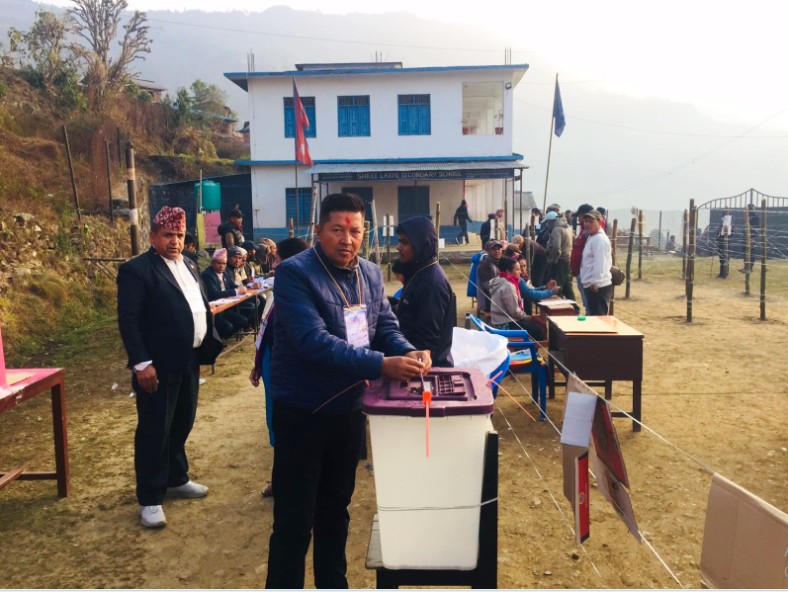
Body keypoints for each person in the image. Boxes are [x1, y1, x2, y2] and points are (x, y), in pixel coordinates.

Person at [265, 192, 432, 589]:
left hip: (349, 410)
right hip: (303, 411)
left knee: (336, 509)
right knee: (294, 519)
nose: (347, 239)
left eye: (355, 231)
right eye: (337, 230)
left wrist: (408, 351)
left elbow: (384, 326)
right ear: (318, 230)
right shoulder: (294, 274)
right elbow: (312, 341)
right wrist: (380, 364)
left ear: (364, 232)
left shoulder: (370, 273)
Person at [117, 205, 223, 529]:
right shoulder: (138, 270)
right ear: (153, 236)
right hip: (157, 365)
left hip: (189, 358)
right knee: (155, 429)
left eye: (179, 234)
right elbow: (129, 320)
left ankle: (176, 478)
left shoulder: (189, 263)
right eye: (167, 235)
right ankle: (150, 497)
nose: (174, 241)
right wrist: (141, 364)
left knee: (182, 421)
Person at [249, 237, 309, 499]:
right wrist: (258, 364)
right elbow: (266, 329)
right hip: (272, 365)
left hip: (288, 373)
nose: (272, 265)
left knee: (289, 427)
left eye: (276, 259)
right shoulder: (281, 289)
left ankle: (290, 481)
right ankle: (281, 477)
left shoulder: (302, 295)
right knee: (276, 424)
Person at [394, 216, 456, 368]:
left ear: (420, 245)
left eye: (404, 242)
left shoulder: (432, 282)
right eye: (399, 241)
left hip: (427, 368)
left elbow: (428, 341)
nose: (398, 247)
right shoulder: (419, 272)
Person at [488, 257, 546, 340]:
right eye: (517, 269)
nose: (520, 272)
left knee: (537, 325)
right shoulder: (508, 285)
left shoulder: (499, 280)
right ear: (508, 271)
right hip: (505, 324)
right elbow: (515, 312)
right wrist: (528, 317)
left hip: (498, 322)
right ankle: (529, 347)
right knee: (540, 330)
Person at [201, 248, 250, 339]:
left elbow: (232, 285)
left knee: (243, 320)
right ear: (212, 263)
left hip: (225, 307)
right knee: (228, 326)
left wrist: (244, 288)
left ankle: (224, 338)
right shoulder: (208, 275)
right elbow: (215, 294)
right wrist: (236, 291)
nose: (222, 266)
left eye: (224, 263)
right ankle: (219, 340)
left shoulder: (225, 273)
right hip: (214, 311)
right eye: (219, 263)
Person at [579, 209, 613, 315]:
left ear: (599, 222)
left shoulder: (599, 240)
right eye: (586, 221)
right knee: (594, 317)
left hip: (597, 287)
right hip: (592, 286)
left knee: (599, 319)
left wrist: (595, 283)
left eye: (591, 221)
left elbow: (600, 263)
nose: (587, 224)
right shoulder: (592, 237)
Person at [569, 204, 595, 314]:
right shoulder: (583, 231)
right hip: (580, 272)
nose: (578, 219)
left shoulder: (589, 234)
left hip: (585, 273)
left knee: (589, 305)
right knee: (587, 304)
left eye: (579, 216)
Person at [544, 210, 575, 301]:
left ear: (551, 221)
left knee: (557, 285)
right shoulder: (568, 228)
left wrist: (552, 260)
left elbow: (556, 247)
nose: (547, 224)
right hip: (567, 259)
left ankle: (558, 304)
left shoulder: (556, 229)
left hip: (559, 261)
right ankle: (573, 306)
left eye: (548, 222)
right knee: (566, 286)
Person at [475, 239, 504, 316]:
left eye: (499, 249)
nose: (497, 251)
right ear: (488, 251)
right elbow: (489, 286)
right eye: (494, 249)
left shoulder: (496, 263)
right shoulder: (485, 265)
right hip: (487, 305)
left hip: (494, 303)